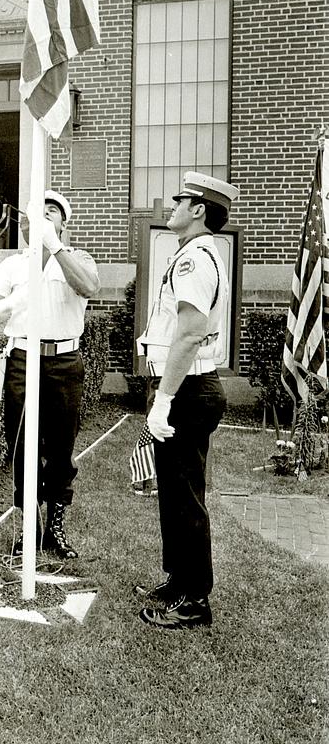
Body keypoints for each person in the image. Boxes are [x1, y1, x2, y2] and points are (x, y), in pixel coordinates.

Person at [135, 171, 239, 629]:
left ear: (197, 210)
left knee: (185, 496)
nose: (172, 206)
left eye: (180, 200)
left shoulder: (195, 259)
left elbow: (191, 332)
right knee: (174, 494)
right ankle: (178, 581)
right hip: (186, 387)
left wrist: (164, 399)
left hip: (190, 390)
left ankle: (195, 599)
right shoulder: (192, 254)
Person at [0, 190, 100, 558]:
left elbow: (89, 287)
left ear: (64, 223)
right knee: (21, 446)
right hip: (21, 359)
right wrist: (9, 305)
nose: (43, 219)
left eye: (52, 213)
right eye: (36, 215)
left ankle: (55, 528)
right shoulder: (15, 265)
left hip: (63, 363)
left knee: (61, 450)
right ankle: (28, 528)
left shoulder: (78, 258)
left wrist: (55, 248)